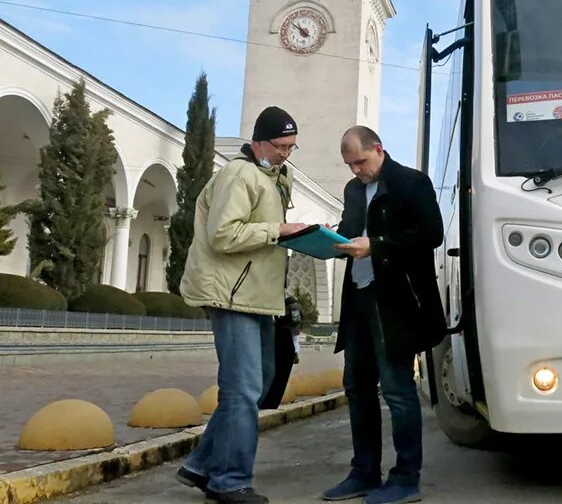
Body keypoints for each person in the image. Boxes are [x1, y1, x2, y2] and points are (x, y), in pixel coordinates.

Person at [176, 106, 307, 504]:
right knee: (242, 388)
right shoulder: (239, 174)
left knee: (261, 380)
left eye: (291, 146)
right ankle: (229, 480)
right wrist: (278, 230)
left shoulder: (272, 177)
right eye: (280, 146)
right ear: (258, 143)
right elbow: (223, 234)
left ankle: (201, 464)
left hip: (257, 296)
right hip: (231, 295)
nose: (286, 153)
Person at [322, 126, 446, 504]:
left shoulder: (411, 182)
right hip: (358, 299)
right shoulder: (353, 190)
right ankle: (364, 473)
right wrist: (330, 238)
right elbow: (350, 232)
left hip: (395, 303)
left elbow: (431, 234)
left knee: (397, 390)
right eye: (349, 165)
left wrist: (375, 245)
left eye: (360, 161)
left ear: (379, 149)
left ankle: (407, 478)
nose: (356, 170)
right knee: (357, 388)